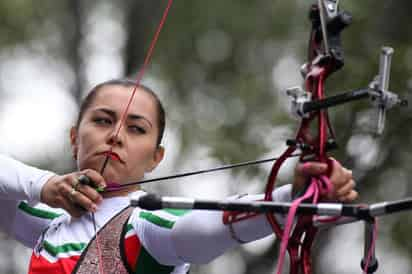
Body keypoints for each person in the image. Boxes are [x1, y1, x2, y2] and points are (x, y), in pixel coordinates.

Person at [0, 79, 357, 274]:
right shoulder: (48, 224)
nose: (117, 135)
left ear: (156, 158)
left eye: (137, 128)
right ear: (75, 137)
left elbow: (209, 227)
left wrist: (292, 196)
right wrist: (43, 184)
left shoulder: (145, 226)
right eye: (103, 121)